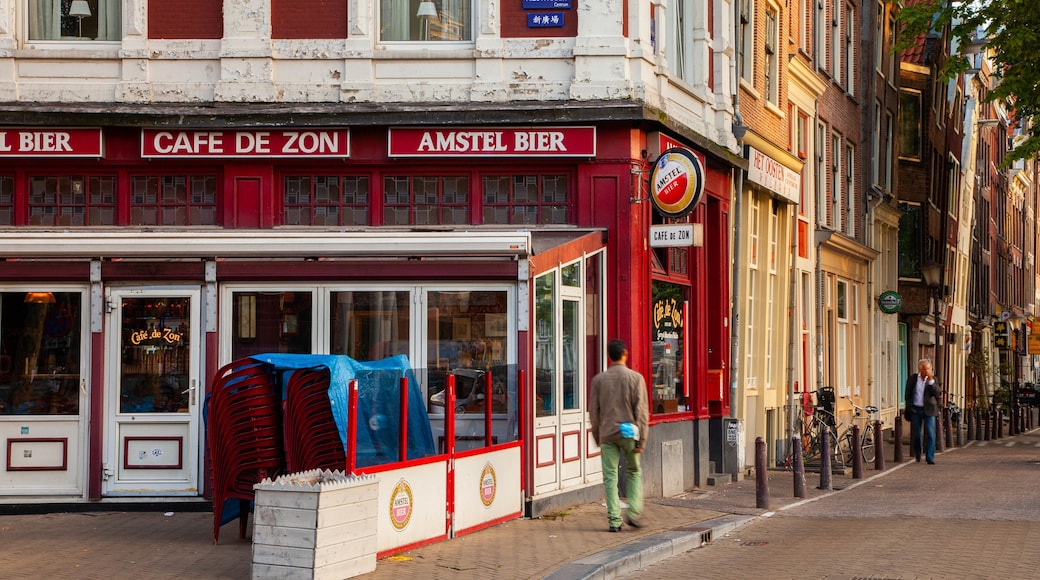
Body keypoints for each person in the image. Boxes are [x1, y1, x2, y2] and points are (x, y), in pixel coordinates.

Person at [589, 339, 650, 532]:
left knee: (610, 477)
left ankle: (614, 520)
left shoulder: (599, 380)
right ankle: (633, 511)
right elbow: (641, 411)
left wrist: (598, 437)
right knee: (633, 472)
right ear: (625, 352)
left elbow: (594, 412)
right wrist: (642, 440)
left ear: (609, 356)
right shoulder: (636, 378)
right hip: (629, 434)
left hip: (607, 433)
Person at [903, 358, 941, 464]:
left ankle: (930, 457)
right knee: (917, 434)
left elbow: (937, 393)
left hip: (929, 410)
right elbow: (908, 393)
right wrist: (909, 406)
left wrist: (931, 381)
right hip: (916, 409)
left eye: (929, 369)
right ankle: (918, 454)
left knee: (930, 433)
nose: (927, 371)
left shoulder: (933, 379)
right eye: (925, 369)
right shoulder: (913, 379)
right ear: (920, 369)